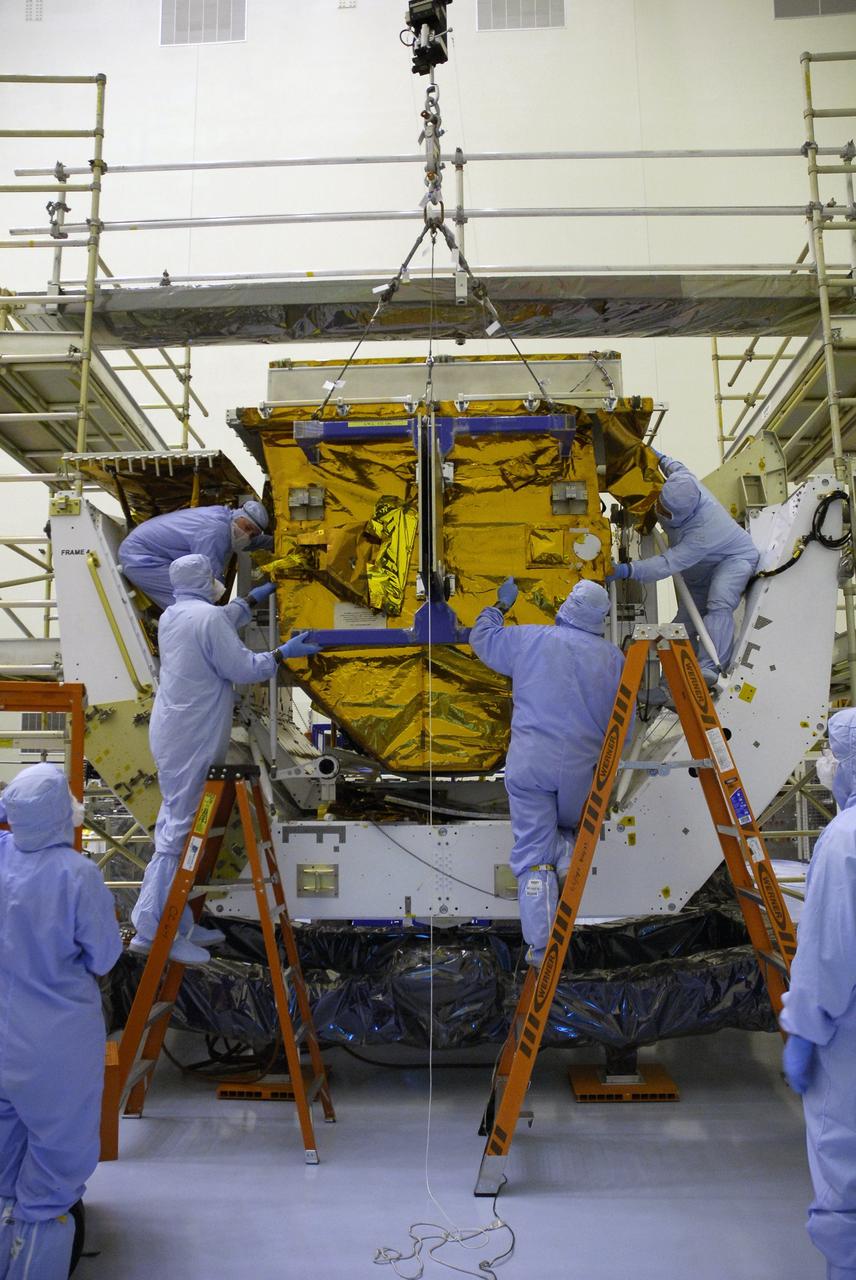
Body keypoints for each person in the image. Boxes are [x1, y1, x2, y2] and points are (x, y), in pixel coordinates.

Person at [130, 553, 323, 964]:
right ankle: (153, 930)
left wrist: (250, 601)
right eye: (214, 576)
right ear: (205, 580)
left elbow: (214, 624)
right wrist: (282, 654)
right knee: (177, 834)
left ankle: (176, 922)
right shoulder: (206, 619)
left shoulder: (174, 615)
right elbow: (242, 666)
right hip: (192, 734)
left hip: (175, 729)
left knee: (174, 825)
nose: (219, 580)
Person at [0, 763, 122, 1280]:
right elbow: (104, 956)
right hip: (56, 1046)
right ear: (58, 812)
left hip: (4, 1036)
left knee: (5, 1153)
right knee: (54, 1166)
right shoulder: (77, 874)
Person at [470, 579, 628, 964]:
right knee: (568, 830)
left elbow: (482, 638)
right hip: (584, 772)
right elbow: (625, 723)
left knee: (533, 856)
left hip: (531, 766)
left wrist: (499, 606)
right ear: (601, 619)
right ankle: (564, 853)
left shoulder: (530, 640)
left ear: (566, 606)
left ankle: (543, 950)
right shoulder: (613, 659)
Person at [780, 706, 856, 1280]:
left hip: (847, 1039)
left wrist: (802, 1027)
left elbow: (827, 954)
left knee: (845, 1166)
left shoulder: (844, 840)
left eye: (831, 753)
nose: (826, 764)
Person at [606, 451, 759, 685]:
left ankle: (712, 668)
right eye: (661, 506)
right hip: (700, 572)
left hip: (733, 561)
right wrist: (655, 455)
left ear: (684, 514)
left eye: (667, 513)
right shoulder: (684, 479)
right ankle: (669, 683)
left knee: (718, 602)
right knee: (683, 624)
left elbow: (666, 564)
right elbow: (674, 465)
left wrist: (626, 571)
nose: (661, 513)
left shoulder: (702, 532)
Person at [118, 498, 274, 610]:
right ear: (239, 516)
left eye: (252, 534)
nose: (247, 535)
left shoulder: (225, 518)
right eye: (247, 527)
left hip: (144, 552)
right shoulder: (216, 530)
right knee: (192, 603)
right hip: (141, 558)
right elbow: (209, 576)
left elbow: (251, 541)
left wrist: (278, 541)